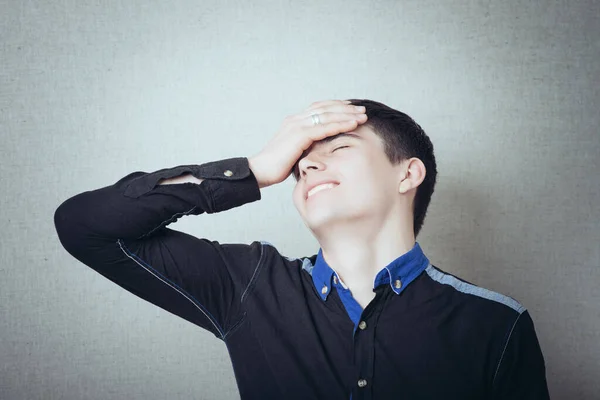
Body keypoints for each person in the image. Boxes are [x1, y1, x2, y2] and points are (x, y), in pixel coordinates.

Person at [54, 99, 550, 399]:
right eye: (300, 165)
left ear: (407, 173)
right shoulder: (248, 285)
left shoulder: (497, 325)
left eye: (338, 150)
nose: (308, 168)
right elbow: (84, 226)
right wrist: (256, 168)